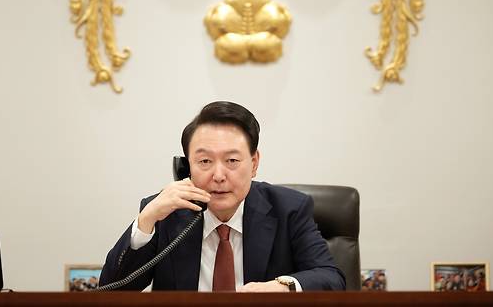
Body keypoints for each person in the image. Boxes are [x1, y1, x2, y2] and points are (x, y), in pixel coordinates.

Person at [99, 101, 345, 291]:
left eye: (232, 161)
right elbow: (110, 292)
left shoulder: (289, 209)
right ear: (186, 168)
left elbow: (331, 278)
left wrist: (281, 286)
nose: (218, 175)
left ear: (254, 162)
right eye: (204, 161)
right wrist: (146, 220)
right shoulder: (166, 212)